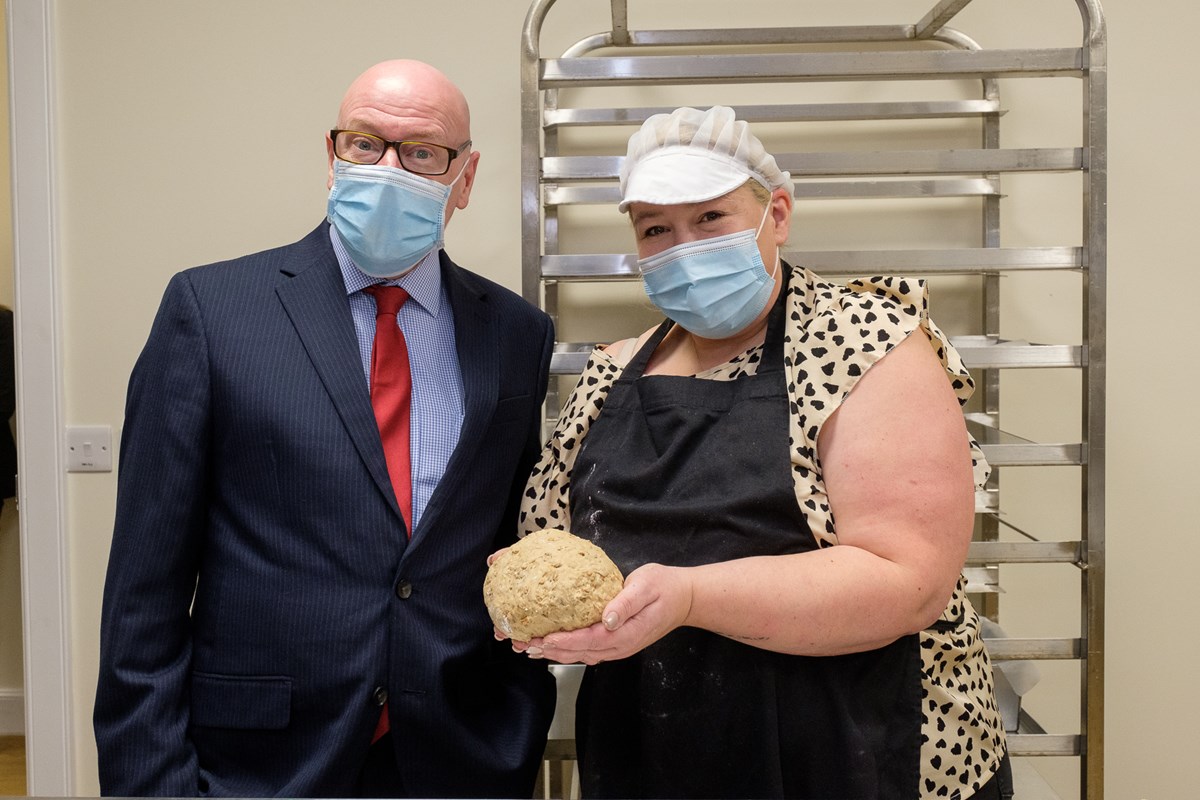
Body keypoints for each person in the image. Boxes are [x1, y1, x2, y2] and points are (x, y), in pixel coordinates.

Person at [512, 106, 1012, 799]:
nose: (683, 247)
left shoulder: (867, 342)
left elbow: (908, 584)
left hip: (856, 745)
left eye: (710, 218)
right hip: (657, 751)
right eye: (657, 229)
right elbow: (550, 541)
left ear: (775, 213)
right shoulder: (611, 375)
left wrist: (688, 596)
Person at [94, 59, 556, 798]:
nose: (387, 168)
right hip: (259, 763)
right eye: (365, 143)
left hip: (459, 753)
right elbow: (143, 593)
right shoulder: (211, 312)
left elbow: (506, 540)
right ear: (332, 156)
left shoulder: (516, 333)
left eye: (422, 152)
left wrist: (516, 721)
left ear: (463, 179)